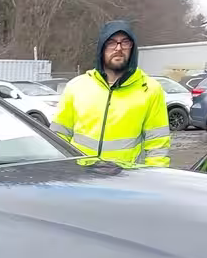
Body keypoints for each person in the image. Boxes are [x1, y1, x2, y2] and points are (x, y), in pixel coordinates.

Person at [51, 20, 170, 167]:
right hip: (81, 178)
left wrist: (154, 182)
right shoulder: (77, 86)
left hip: (124, 180)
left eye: (125, 42)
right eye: (112, 42)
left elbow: (157, 145)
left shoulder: (150, 89)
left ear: (132, 48)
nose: (118, 48)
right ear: (102, 47)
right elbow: (58, 136)